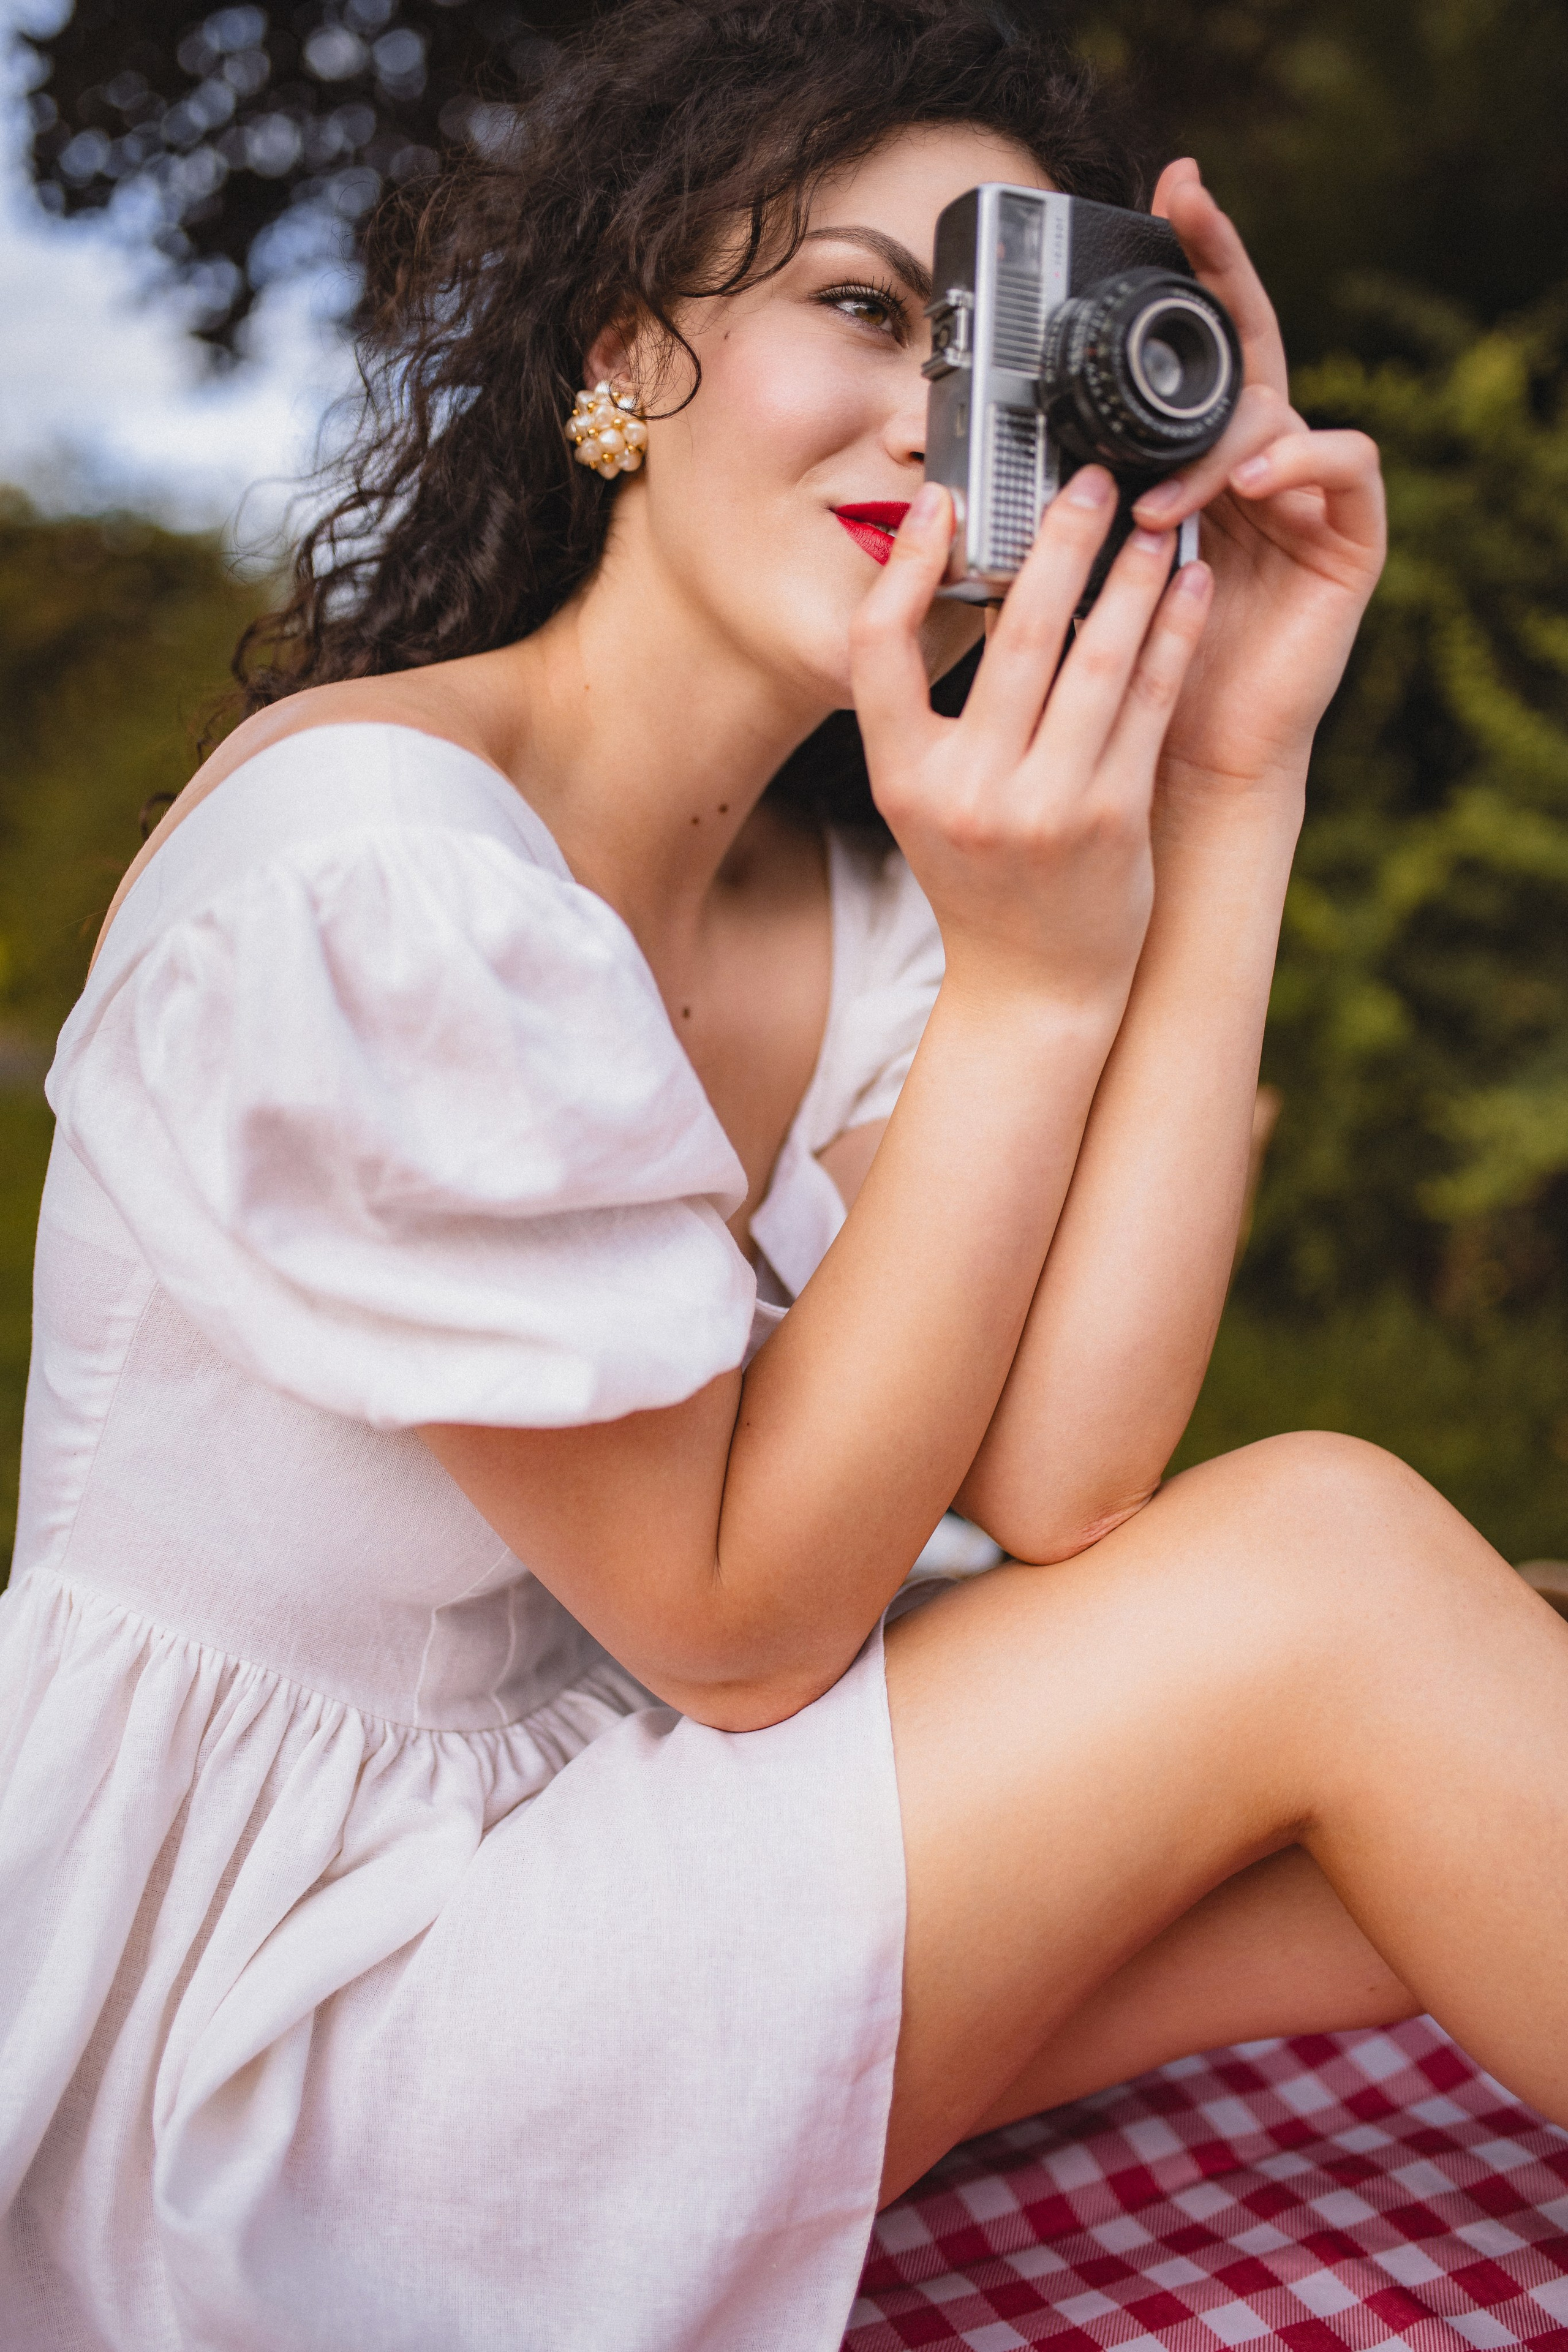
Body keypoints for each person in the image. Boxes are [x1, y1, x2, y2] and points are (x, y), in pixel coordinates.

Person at [4, 2, 1566, 2346]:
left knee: (1434, 1765)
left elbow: (1063, 1475)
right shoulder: (381, 867)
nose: (936, 412)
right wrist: (1047, 986)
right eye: (862, 307)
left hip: (552, 1885)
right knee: (1340, 1562)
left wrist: (1235, 772)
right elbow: (738, 1632)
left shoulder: (837, 918)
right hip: (275, 2059)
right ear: (633, 352)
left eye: (1001, 358)